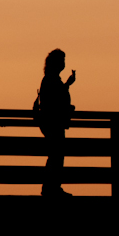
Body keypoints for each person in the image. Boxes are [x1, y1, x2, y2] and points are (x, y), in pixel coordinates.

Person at [38, 49, 76, 197]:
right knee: (56, 155)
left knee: (56, 156)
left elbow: (57, 97)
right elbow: (56, 100)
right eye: (61, 60)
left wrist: (67, 84)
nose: (63, 63)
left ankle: (51, 187)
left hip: (54, 123)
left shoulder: (51, 79)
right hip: (54, 123)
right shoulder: (50, 79)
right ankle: (51, 188)